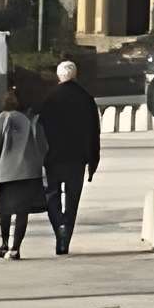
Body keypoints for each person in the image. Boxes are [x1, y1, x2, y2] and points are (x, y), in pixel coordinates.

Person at [39, 58, 101, 254]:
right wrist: (93, 161)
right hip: (77, 159)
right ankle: (64, 240)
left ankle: (59, 227)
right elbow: (94, 133)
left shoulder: (49, 99)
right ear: (75, 75)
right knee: (72, 200)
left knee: (52, 196)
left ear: (59, 76)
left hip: (53, 158)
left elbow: (40, 130)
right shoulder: (86, 99)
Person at [0, 86, 48, 261]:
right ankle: (16, 248)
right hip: (28, 172)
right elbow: (40, 145)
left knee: (5, 211)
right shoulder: (27, 120)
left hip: (7, 173)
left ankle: (4, 243)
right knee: (22, 212)